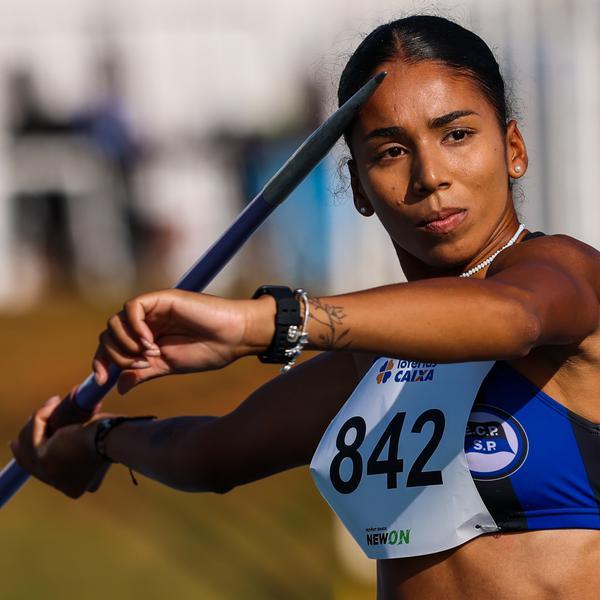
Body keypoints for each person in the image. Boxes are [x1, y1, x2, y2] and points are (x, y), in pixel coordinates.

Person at [11, 15, 600, 599]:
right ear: (361, 189)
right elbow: (213, 456)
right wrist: (96, 441)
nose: (430, 175)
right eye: (391, 151)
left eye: (457, 135)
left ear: (514, 149)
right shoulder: (372, 361)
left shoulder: (564, 276)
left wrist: (265, 324)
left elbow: (512, 318)